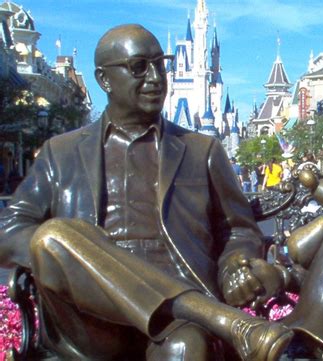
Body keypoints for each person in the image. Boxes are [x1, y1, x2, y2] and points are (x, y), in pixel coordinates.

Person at [0, 24, 292, 361]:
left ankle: (202, 315)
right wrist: (71, 253)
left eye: (160, 64)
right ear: (104, 80)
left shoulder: (202, 150)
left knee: (187, 347)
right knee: (52, 237)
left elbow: (238, 228)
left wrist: (235, 264)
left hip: (176, 323)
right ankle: (226, 321)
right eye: (139, 67)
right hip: (88, 320)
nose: (156, 77)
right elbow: (9, 232)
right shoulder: (60, 153)